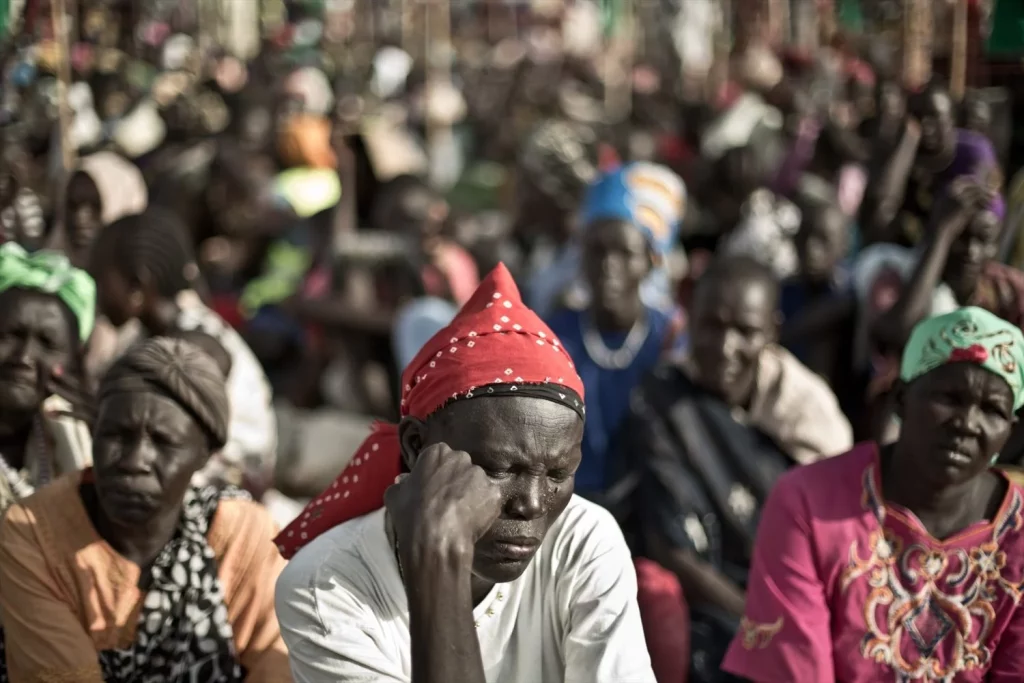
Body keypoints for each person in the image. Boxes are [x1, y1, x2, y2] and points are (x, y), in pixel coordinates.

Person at [274, 264, 656, 683]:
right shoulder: (325, 587)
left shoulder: (583, 541)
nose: (530, 502)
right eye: (499, 467)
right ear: (417, 447)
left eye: (557, 473)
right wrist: (439, 561)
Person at [723, 306, 1024, 682]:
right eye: (949, 397)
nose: (966, 423)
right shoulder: (810, 503)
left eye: (992, 409)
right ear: (900, 398)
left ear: (1009, 434)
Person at [613, 255, 853, 682]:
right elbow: (673, 547)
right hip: (715, 602)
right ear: (689, 320)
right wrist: (759, 624)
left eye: (745, 331)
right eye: (711, 325)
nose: (725, 347)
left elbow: (838, 547)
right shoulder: (664, 396)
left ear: (773, 331)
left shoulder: (809, 413)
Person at [0, 338, 290, 682]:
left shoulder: (245, 538)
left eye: (164, 442)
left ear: (206, 454)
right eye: (116, 435)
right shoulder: (31, 534)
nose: (134, 461)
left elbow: (279, 670)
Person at [88, 207, 276, 489]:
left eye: (101, 281)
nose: (97, 295)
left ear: (137, 285)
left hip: (230, 489)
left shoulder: (195, 342)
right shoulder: (152, 333)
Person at [546, 162, 685, 498]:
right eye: (597, 251)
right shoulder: (556, 332)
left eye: (625, 253)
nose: (609, 266)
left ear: (651, 260)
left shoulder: (670, 335)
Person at [0, 242, 94, 513]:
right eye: (10, 335)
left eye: (47, 342)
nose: (24, 357)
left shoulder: (85, 442)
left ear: (75, 362)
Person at [863, 81, 1001, 247]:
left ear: (951, 120)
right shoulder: (907, 150)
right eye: (919, 118)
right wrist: (908, 141)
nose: (927, 127)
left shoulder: (973, 150)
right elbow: (881, 206)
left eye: (935, 117)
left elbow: (973, 210)